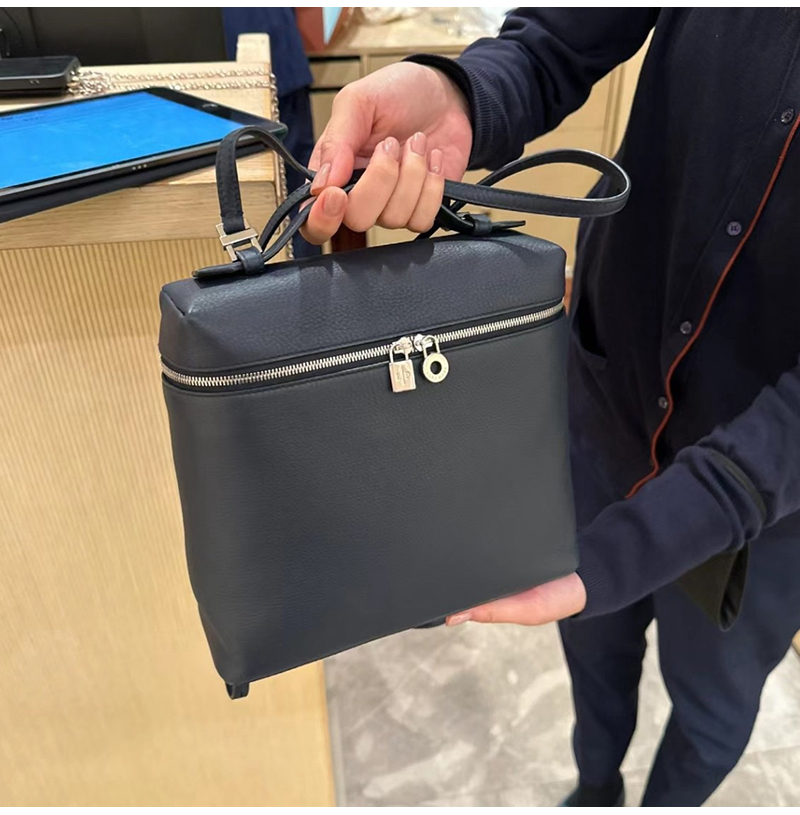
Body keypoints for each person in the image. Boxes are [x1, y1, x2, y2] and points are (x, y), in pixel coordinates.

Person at [301, 9, 800, 808]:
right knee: (593, 651)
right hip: (610, 386)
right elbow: (560, 40)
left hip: (769, 499)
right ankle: (594, 787)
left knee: (713, 709)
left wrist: (633, 549)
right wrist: (460, 95)